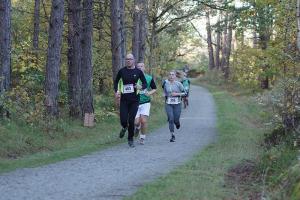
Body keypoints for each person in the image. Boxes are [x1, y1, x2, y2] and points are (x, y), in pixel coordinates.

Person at [114, 53, 147, 148]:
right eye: (127, 59)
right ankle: (124, 127)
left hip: (134, 100)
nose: (128, 61)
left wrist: (141, 87)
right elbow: (116, 81)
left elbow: (144, 83)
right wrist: (116, 91)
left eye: (130, 59)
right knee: (123, 120)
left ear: (134, 60)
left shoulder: (138, 71)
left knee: (131, 120)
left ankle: (130, 139)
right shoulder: (122, 71)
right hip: (124, 99)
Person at [134, 63, 157, 145]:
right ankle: (137, 127)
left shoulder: (149, 78)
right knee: (136, 122)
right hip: (135, 103)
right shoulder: (133, 77)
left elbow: (154, 88)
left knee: (143, 121)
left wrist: (150, 93)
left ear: (144, 68)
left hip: (145, 103)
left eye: (141, 66)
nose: (140, 68)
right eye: (138, 67)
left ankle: (142, 137)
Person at [163, 70, 186, 142]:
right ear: (168, 76)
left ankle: (177, 122)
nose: (171, 76)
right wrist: (164, 95)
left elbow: (185, 93)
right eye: (170, 74)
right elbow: (165, 93)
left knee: (176, 119)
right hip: (168, 104)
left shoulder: (178, 84)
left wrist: (177, 94)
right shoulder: (166, 84)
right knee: (170, 119)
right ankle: (172, 135)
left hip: (177, 104)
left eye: (173, 75)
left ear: (175, 76)